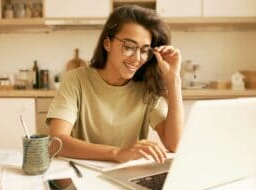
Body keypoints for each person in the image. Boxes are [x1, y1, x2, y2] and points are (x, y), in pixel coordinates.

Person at [46, 5, 184, 163]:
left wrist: (174, 79)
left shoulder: (147, 88)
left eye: (145, 50)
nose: (137, 58)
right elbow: (55, 142)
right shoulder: (76, 80)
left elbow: (175, 145)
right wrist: (117, 153)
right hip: (82, 173)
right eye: (129, 47)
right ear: (107, 43)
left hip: (126, 175)